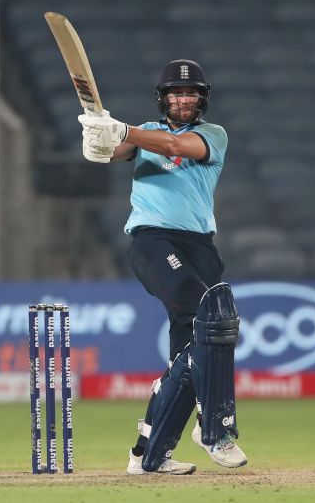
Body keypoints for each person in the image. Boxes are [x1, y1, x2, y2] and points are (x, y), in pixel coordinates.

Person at [78, 59, 248, 475]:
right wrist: (96, 138)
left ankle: (146, 456)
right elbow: (113, 153)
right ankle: (216, 428)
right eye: (175, 93)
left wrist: (120, 129)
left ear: (201, 98)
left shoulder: (213, 136)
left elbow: (174, 147)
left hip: (201, 247)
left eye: (189, 94)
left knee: (191, 358)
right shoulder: (146, 134)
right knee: (209, 320)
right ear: (163, 98)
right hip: (154, 240)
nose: (182, 99)